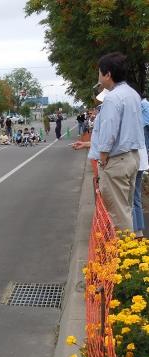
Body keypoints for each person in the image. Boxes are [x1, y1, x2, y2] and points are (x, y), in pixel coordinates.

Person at [73, 52, 144, 231]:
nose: (99, 76)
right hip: (132, 157)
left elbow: (109, 133)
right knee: (126, 208)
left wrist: (103, 158)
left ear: (107, 74)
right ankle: (130, 250)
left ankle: (124, 254)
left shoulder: (113, 98)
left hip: (117, 161)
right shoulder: (132, 94)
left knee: (118, 214)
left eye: (99, 72)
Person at [133, 146, 148, 238]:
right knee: (136, 197)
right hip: (142, 160)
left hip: (132, 160)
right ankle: (139, 232)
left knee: (129, 200)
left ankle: (133, 232)